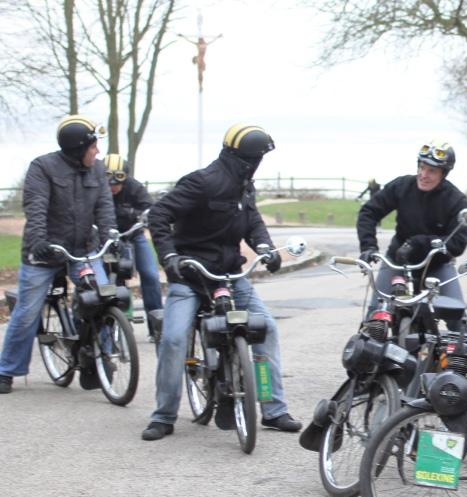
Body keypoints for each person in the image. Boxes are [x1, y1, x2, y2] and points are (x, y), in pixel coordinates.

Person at [142, 124, 301, 440]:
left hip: (229, 274)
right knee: (173, 338)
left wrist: (265, 248)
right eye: (257, 158)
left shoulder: (245, 185)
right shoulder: (202, 182)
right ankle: (163, 415)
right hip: (190, 275)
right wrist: (170, 256)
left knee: (266, 328)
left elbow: (252, 220)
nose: (259, 164)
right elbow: (158, 215)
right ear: (245, 158)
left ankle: (273, 410)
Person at [0, 116, 115, 395]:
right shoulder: (43, 167)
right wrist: (39, 240)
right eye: (93, 147)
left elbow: (104, 204)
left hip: (84, 247)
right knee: (27, 312)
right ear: (78, 148)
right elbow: (36, 206)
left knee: (102, 298)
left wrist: (112, 233)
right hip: (45, 250)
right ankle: (7, 370)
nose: (97, 152)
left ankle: (100, 361)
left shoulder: (97, 170)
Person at [355, 140, 467, 326]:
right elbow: (369, 212)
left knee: (457, 319)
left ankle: (452, 354)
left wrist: (420, 243)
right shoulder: (402, 186)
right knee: (375, 316)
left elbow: (458, 242)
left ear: (444, 173)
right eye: (422, 167)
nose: (424, 175)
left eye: (432, 171)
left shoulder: (455, 199)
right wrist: (368, 246)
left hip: (436, 265)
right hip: (398, 260)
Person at [103, 153, 163, 339]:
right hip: (106, 238)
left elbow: (150, 209)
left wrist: (132, 214)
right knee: (109, 278)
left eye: (117, 182)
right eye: (109, 182)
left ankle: (156, 326)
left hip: (133, 235)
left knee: (151, 275)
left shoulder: (134, 187)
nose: (113, 187)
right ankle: (111, 324)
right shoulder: (97, 188)